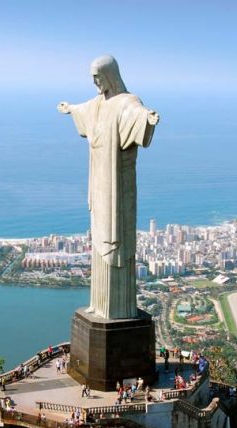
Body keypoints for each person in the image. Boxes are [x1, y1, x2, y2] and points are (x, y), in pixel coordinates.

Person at [58, 55, 158, 319]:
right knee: (100, 238)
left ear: (111, 75)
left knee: (117, 240)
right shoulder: (97, 103)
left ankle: (119, 309)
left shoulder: (127, 101)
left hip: (117, 184)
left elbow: (135, 115)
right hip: (99, 181)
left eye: (98, 77)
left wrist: (147, 119)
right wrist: (70, 108)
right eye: (92, 78)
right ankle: (99, 306)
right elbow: (84, 111)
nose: (95, 82)